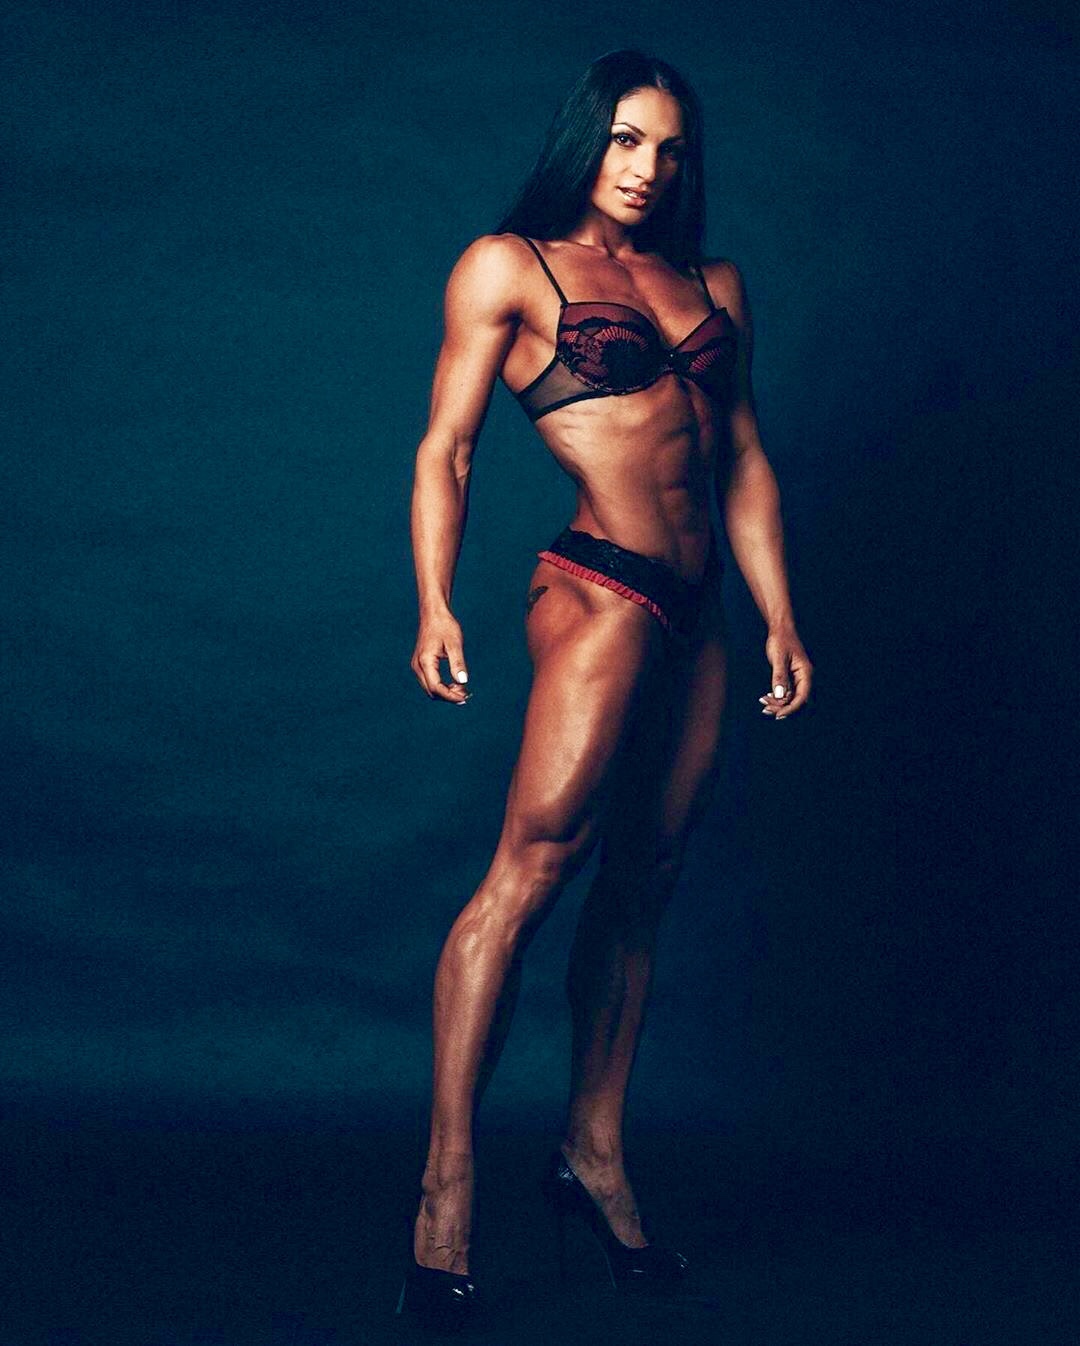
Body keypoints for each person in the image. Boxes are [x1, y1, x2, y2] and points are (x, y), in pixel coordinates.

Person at [397, 49, 812, 1331]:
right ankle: (445, 1190)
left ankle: (594, 1153)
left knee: (646, 881)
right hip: (601, 587)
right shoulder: (509, 266)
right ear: (589, 139)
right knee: (531, 871)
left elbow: (742, 455)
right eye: (627, 140)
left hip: (699, 612)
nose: (646, 168)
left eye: (668, 148)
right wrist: (435, 601)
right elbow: (448, 446)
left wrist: (781, 611)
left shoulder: (713, 284)